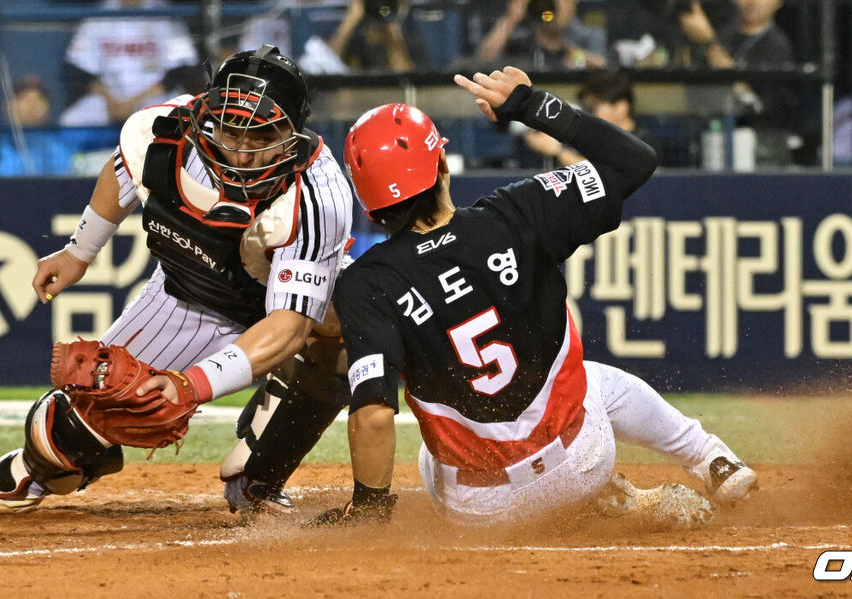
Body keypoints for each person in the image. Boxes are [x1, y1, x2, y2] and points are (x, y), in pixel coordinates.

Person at [317, 66, 758, 528]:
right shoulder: (518, 211)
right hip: (581, 462)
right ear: (441, 166)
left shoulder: (365, 283)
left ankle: (613, 502)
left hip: (479, 509)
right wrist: (531, 106)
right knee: (592, 381)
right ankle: (711, 460)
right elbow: (635, 161)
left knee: (433, 451)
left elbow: (373, 418)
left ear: (366, 202)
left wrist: (367, 512)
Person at [0, 45, 355, 516]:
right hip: (185, 294)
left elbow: (289, 326)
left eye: (259, 136)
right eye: (231, 129)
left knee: (348, 330)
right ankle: (44, 464)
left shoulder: (319, 193)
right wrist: (81, 249)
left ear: (292, 132)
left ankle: (262, 471)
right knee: (65, 438)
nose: (240, 149)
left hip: (280, 308)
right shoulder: (163, 131)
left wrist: (192, 383)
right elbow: (122, 173)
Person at [59, 0, 203, 127]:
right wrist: (111, 102)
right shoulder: (98, 13)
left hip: (154, 96)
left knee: (178, 118)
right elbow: (78, 70)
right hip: (107, 99)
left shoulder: (165, 13)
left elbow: (181, 69)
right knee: (70, 120)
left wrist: (134, 102)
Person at [677, 0, 798, 129]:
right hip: (710, 126)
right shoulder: (724, 36)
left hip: (758, 132)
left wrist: (709, 43)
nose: (752, 2)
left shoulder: (777, 45)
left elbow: (756, 104)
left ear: (777, 3)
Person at [522, 69, 655, 167]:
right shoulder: (594, 137)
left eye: (594, 107)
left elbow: (606, 175)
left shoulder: (642, 143)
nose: (589, 113)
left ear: (621, 107)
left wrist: (557, 151)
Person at [475, 0, 607, 70]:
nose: (548, 9)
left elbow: (605, 70)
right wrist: (510, 19)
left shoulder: (589, 36)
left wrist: (573, 53)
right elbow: (484, 59)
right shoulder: (519, 38)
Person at [326, 0, 422, 72]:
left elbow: (406, 82)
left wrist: (392, 37)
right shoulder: (352, 34)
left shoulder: (409, 33)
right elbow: (325, 67)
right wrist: (351, 19)